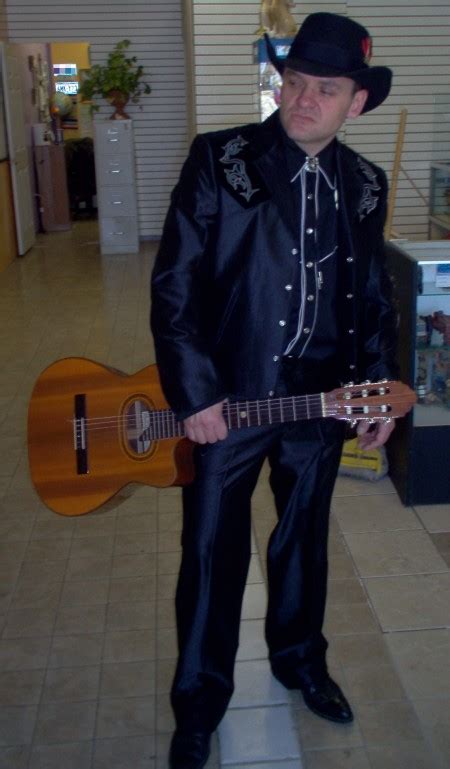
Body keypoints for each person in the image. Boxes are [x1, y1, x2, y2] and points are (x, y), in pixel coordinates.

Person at [151, 12, 397, 769]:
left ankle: (300, 660)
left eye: (326, 89)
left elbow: (374, 298)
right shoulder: (221, 160)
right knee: (211, 549)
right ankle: (198, 700)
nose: (303, 100)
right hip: (229, 399)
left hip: (319, 403)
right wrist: (195, 397)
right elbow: (175, 287)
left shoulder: (364, 184)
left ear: (356, 102)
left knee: (302, 543)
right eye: (294, 83)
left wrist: (376, 393)